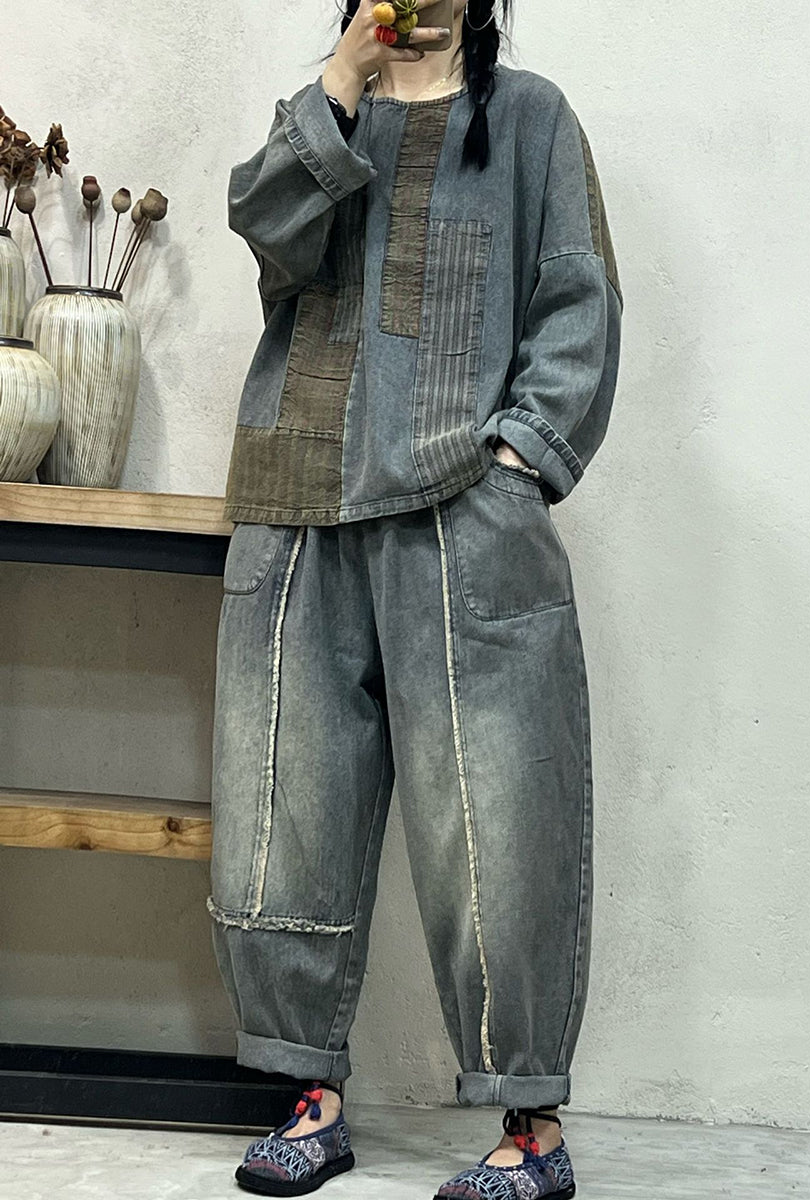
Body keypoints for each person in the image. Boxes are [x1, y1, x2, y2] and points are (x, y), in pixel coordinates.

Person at [208, 1, 623, 1196]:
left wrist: (519, 459)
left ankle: (531, 1131)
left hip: (461, 512)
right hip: (297, 502)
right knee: (282, 809)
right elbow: (270, 238)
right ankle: (310, 1098)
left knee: (499, 816)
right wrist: (342, 81)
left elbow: (578, 301)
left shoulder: (529, 119)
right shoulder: (322, 114)